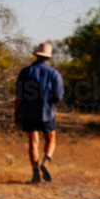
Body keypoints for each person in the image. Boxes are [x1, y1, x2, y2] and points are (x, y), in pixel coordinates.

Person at [14, 43, 64, 184]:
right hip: (47, 112)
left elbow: (19, 96)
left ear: (36, 55)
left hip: (28, 112)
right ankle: (46, 160)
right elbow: (59, 96)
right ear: (48, 58)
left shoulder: (25, 72)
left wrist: (17, 113)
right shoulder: (54, 74)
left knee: (33, 142)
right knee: (51, 138)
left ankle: (35, 174)